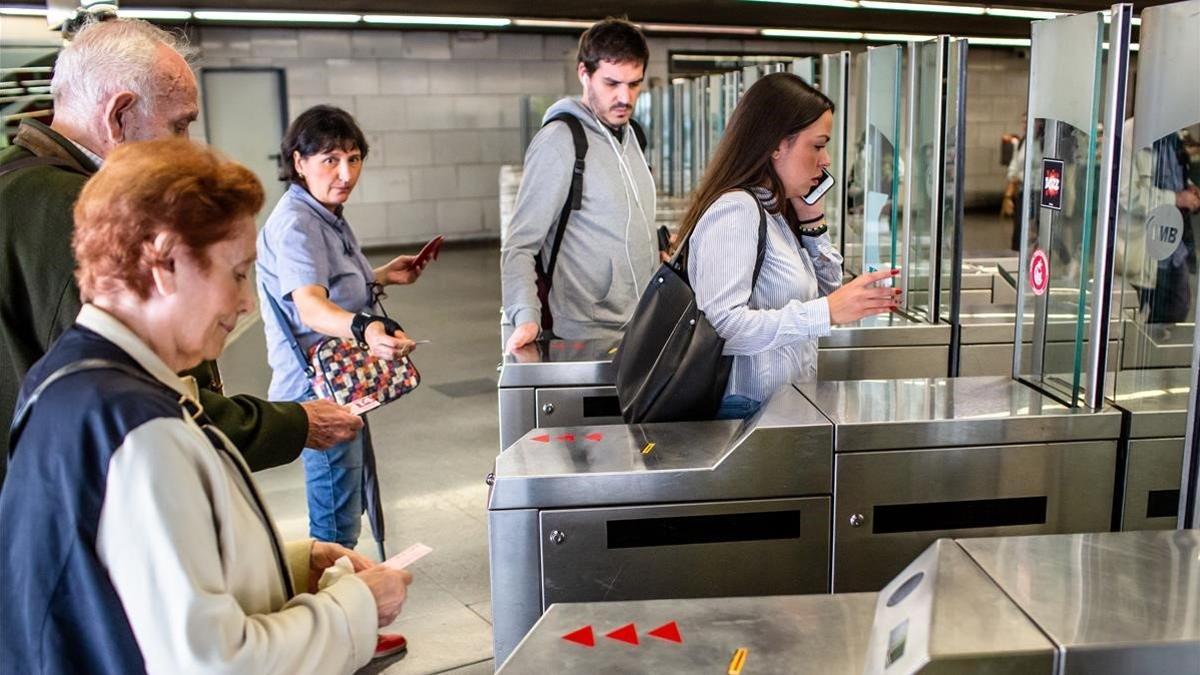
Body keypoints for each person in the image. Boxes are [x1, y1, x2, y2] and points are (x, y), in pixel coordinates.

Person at [0, 138, 413, 674]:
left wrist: (287, 566)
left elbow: (133, 583)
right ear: (163, 264)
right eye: (237, 273)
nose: (245, 303)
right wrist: (355, 608)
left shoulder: (72, 382)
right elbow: (216, 663)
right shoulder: (139, 431)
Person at [0, 17, 362, 484]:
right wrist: (294, 423)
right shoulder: (80, 212)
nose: (187, 149)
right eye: (179, 126)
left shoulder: (17, 184)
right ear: (119, 116)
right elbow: (140, 395)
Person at [678, 73, 899, 420]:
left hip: (783, 402)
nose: (826, 160)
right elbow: (723, 329)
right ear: (776, 145)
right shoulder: (736, 210)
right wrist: (825, 313)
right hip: (746, 410)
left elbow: (827, 292)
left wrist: (812, 221)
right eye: (818, 145)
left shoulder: (774, 211)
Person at [258, 105, 423, 554]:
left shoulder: (323, 212)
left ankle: (343, 606)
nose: (345, 173)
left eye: (353, 158)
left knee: (346, 502)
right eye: (330, 159)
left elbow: (330, 283)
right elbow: (311, 307)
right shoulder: (297, 223)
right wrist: (367, 327)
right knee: (335, 523)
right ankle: (334, 611)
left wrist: (383, 275)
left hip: (340, 381)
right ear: (299, 162)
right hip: (318, 391)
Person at [501, 18, 656, 353]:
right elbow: (519, 246)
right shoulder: (559, 142)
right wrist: (526, 316)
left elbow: (623, 217)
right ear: (584, 74)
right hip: (583, 332)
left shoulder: (633, 137)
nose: (624, 98)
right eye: (611, 83)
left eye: (634, 84)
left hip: (638, 324)